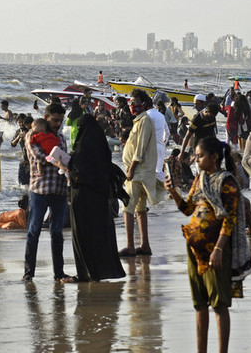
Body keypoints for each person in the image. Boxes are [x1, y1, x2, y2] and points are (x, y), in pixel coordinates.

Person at [166, 136, 239, 353]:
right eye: (196, 156)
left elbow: (229, 219)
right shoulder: (199, 180)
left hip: (214, 251)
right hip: (194, 250)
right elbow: (188, 209)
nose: (196, 160)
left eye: (200, 156)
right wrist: (173, 192)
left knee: (219, 304)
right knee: (200, 304)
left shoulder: (226, 181)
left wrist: (218, 249)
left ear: (214, 157)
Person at [68, 114, 126, 282]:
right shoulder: (102, 147)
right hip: (100, 198)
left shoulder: (82, 148)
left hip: (82, 197)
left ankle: (85, 273)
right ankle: (101, 271)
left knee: (82, 235)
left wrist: (64, 165)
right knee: (100, 235)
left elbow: (78, 174)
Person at [23, 102, 71, 282]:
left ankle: (59, 273)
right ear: (46, 117)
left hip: (59, 190)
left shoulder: (61, 138)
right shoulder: (32, 134)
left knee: (57, 232)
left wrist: (64, 162)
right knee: (33, 231)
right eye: (55, 120)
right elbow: (39, 157)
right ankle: (28, 273)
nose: (58, 124)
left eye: (61, 120)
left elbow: (64, 159)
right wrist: (60, 162)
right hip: (39, 189)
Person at [119, 89, 167, 257]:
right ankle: (145, 245)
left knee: (127, 207)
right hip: (138, 172)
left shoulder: (145, 120)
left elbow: (140, 149)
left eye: (135, 102)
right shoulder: (139, 120)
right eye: (131, 102)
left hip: (138, 173)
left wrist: (131, 169)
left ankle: (130, 246)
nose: (132, 105)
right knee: (139, 209)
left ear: (143, 104)